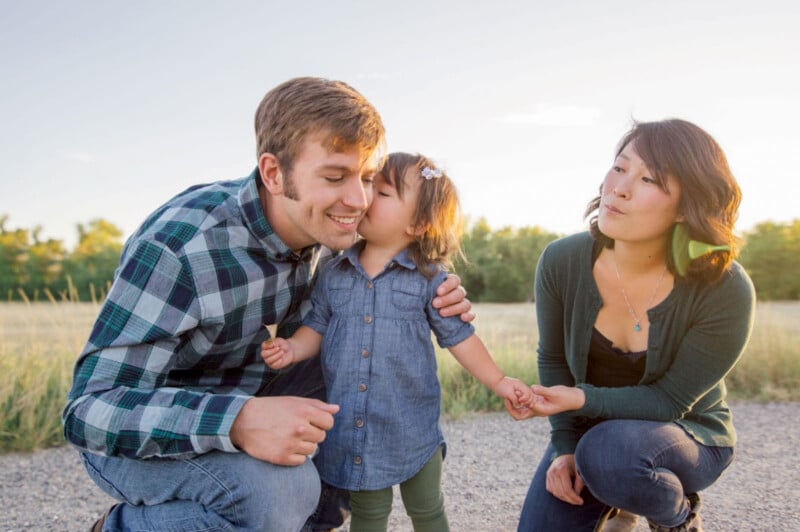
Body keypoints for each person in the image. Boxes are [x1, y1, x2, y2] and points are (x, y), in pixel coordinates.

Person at [62, 77, 473, 532]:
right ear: (274, 174)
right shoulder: (183, 248)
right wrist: (237, 420)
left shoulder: (340, 233)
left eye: (369, 178)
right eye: (335, 177)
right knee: (279, 492)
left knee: (362, 364)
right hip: (147, 436)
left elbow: (409, 232)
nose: (358, 201)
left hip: (259, 392)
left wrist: (438, 285)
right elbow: (88, 411)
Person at [262, 152, 534, 532]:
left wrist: (500, 382)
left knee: (426, 509)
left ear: (419, 222)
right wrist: (292, 348)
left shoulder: (429, 280)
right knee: (369, 513)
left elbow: (461, 339)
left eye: (384, 192)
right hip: (355, 428)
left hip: (412, 425)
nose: (366, 196)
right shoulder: (334, 271)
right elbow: (317, 327)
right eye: (370, 184)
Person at [509, 119, 756, 531]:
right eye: (619, 167)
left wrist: (578, 400)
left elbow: (669, 401)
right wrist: (564, 448)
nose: (618, 188)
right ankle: (621, 497)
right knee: (591, 462)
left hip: (687, 433)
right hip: (591, 436)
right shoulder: (561, 261)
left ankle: (675, 515)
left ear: (686, 207)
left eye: (648, 179)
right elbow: (552, 357)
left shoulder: (725, 288)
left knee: (610, 454)